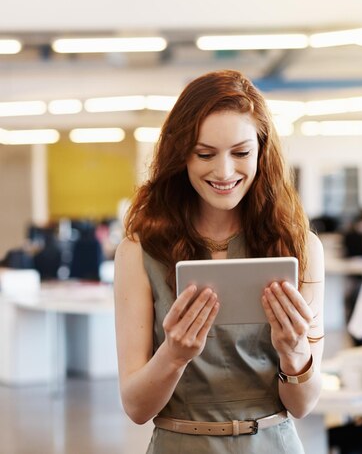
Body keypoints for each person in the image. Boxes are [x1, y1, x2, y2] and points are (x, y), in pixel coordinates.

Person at [114, 69, 324, 454]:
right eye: (205, 154)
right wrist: (174, 355)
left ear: (262, 151)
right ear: (181, 155)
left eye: (241, 153)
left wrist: (295, 352)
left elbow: (303, 405)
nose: (224, 172)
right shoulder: (139, 252)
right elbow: (136, 407)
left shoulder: (299, 247)